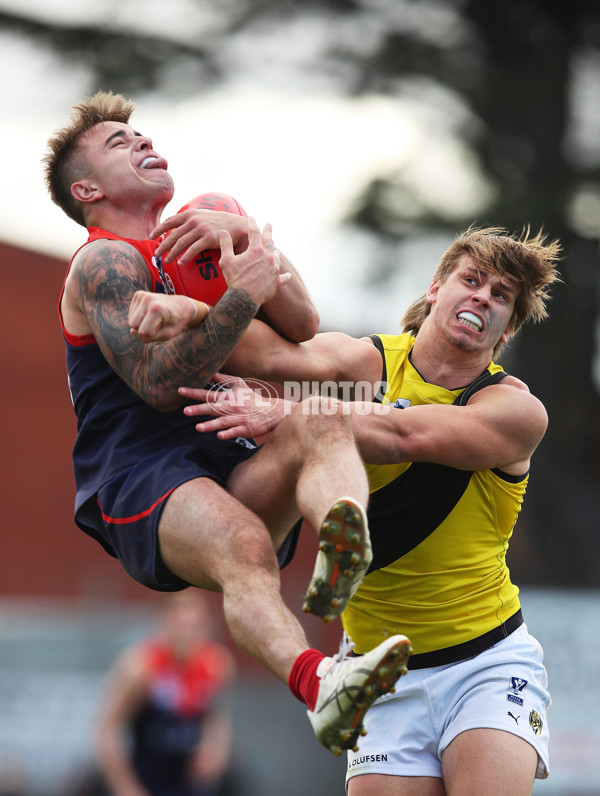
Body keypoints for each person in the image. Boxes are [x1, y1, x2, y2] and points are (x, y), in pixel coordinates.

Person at [43, 91, 412, 759]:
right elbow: (156, 385)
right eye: (119, 143)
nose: (142, 141)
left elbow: (301, 325)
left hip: (226, 452)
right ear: (87, 188)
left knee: (323, 415)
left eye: (142, 133)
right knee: (245, 546)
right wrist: (239, 294)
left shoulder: (200, 232)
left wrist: (242, 239)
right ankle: (319, 682)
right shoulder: (103, 261)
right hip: (143, 475)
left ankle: (341, 550)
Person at [144, 225, 561, 795]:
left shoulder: (515, 411)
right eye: (472, 280)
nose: (482, 298)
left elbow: (404, 434)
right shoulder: (367, 362)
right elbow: (268, 351)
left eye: (500, 296)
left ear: (507, 328)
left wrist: (289, 415)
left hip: (484, 663)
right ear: (435, 290)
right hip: (378, 672)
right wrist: (181, 311)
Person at [95, 590, 236, 796]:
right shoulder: (139, 666)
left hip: (189, 781)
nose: (185, 634)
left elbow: (216, 715)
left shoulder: (217, 664)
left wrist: (215, 748)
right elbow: (107, 730)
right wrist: (125, 787)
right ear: (161, 620)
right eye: (178, 624)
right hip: (146, 775)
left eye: (194, 625)